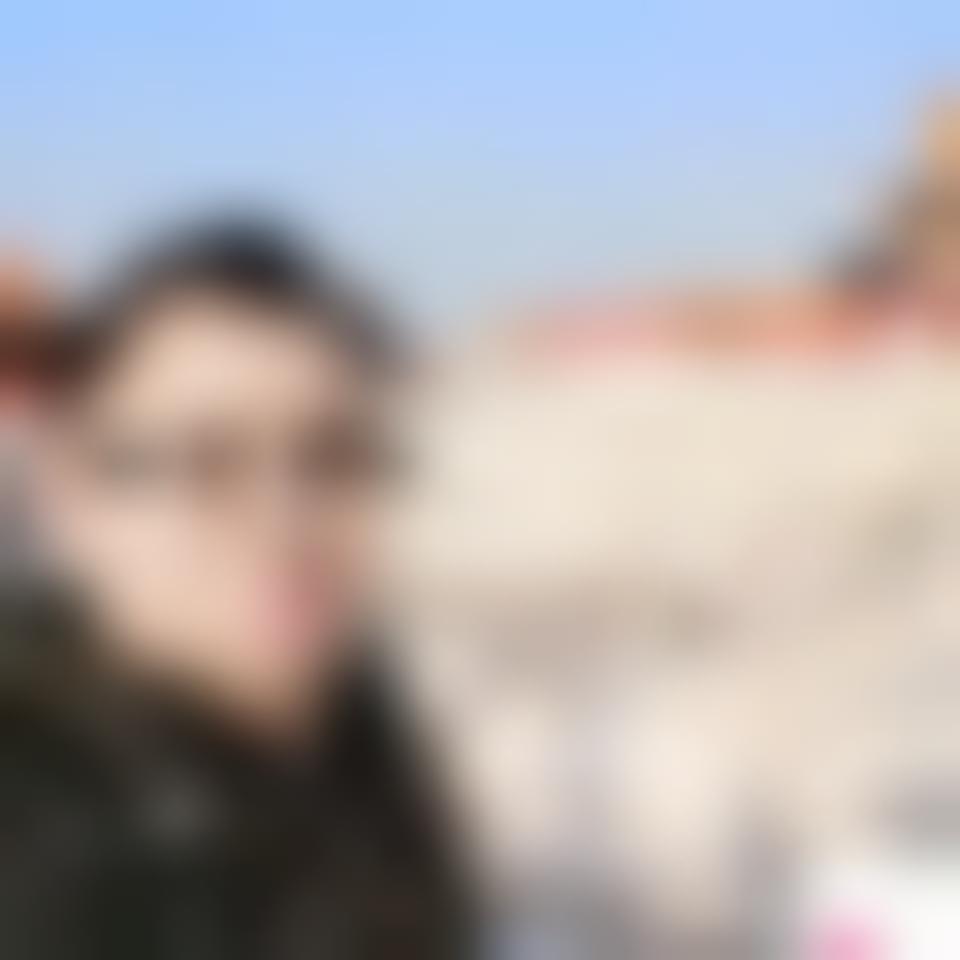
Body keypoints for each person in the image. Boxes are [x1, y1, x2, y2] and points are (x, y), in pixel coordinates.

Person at [0, 220, 471, 959]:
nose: (289, 521)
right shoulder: (43, 835)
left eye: (335, 455)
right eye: (207, 459)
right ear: (66, 497)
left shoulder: (356, 720)